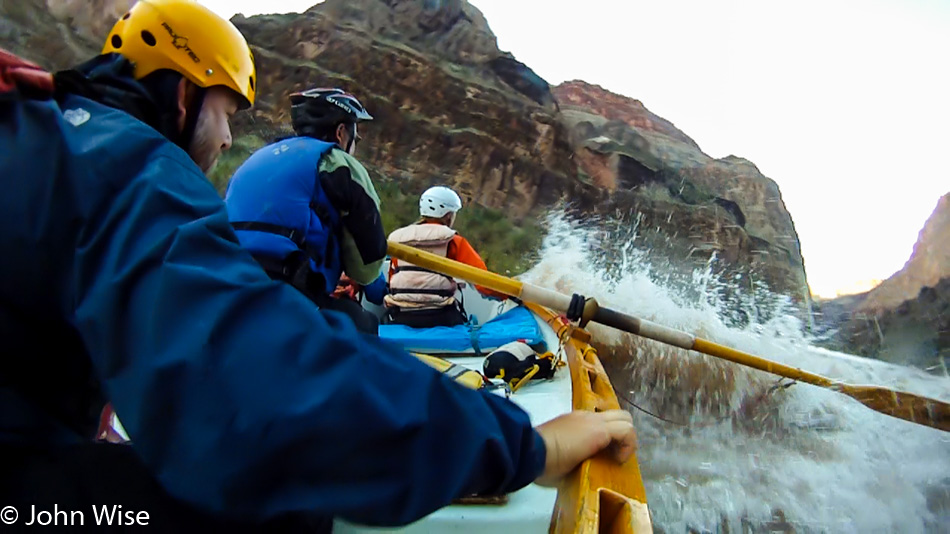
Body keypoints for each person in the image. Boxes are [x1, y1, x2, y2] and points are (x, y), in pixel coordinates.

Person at [0, 1, 636, 532]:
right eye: (223, 113)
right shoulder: (129, 164)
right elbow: (314, 325)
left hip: (224, 303)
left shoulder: (39, 125)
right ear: (185, 95)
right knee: (281, 496)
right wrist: (529, 446)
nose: (225, 139)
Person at [224, 87, 384, 335]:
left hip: (230, 279)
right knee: (363, 325)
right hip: (288, 289)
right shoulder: (339, 163)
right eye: (356, 138)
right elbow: (367, 267)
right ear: (341, 133)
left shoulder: (259, 157)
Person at [385, 186, 507, 328]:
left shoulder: (399, 240)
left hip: (401, 316)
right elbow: (483, 282)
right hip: (440, 317)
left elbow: (392, 279)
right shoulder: (453, 241)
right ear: (448, 216)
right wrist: (509, 294)